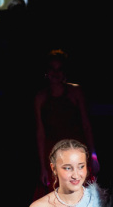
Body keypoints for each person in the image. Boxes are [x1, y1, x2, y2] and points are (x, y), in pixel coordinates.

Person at [34, 50, 98, 191]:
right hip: (54, 154)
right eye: (52, 69)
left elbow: (86, 125)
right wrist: (43, 167)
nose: (55, 73)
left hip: (76, 152)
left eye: (59, 69)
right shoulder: (41, 97)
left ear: (64, 72)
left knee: (79, 192)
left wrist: (93, 156)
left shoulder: (76, 92)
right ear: (47, 72)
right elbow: (40, 133)